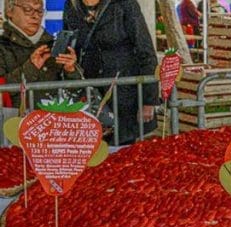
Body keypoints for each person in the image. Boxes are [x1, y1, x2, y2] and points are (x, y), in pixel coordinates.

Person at [64, 0, 159, 145]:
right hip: (91, 96)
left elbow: (145, 51)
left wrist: (149, 100)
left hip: (124, 94)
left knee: (122, 152)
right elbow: (71, 45)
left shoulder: (125, 4)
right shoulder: (72, 6)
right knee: (92, 151)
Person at [0, 0, 82, 109]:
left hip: (56, 121)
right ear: (9, 11)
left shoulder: (55, 44)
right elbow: (3, 89)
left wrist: (71, 70)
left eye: (39, 11)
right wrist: (31, 68)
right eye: (28, 9)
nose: (35, 16)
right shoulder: (2, 45)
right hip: (15, 122)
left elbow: (78, 92)